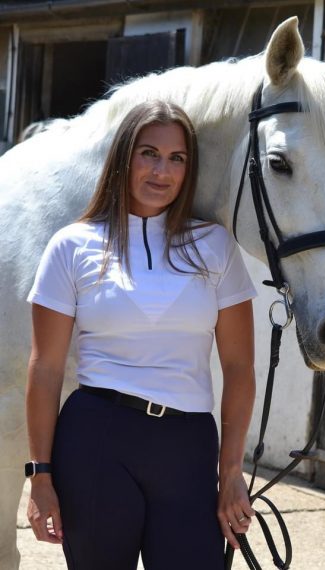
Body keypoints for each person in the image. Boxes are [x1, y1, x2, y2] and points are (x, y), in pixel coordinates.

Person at [25, 100, 257, 569]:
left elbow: (239, 368)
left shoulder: (215, 247)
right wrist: (41, 476)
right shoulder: (72, 246)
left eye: (177, 158)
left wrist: (231, 472)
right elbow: (46, 369)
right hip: (97, 441)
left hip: (188, 448)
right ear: (123, 158)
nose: (162, 171)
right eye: (149, 153)